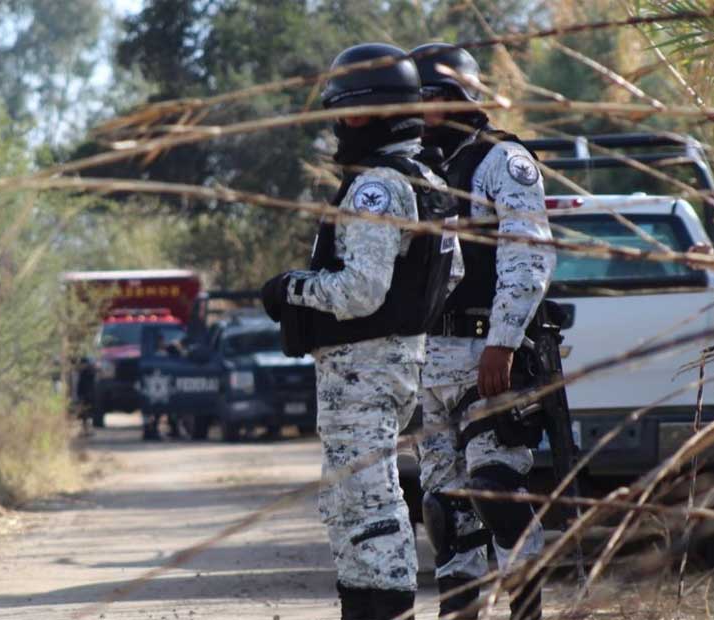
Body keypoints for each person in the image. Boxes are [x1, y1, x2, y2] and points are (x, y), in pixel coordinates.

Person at [261, 42, 455, 620]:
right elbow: (453, 273)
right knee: (348, 499)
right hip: (390, 362)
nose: (339, 127)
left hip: (365, 368)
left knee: (370, 503)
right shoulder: (426, 177)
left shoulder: (378, 185)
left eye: (344, 113)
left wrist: (287, 288)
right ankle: (363, 605)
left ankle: (386, 608)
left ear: (369, 113)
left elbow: (360, 290)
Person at [409, 42, 557, 620]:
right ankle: (461, 611)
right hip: (434, 355)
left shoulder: (502, 160)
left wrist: (503, 340)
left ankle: (526, 608)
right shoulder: (417, 166)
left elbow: (527, 253)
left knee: (495, 486)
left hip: (488, 351)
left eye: (427, 98)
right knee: (445, 507)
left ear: (456, 96)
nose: (418, 112)